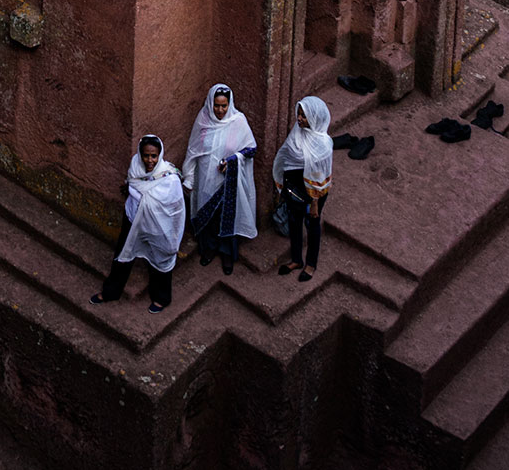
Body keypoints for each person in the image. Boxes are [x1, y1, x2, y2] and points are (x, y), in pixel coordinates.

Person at [93, 133, 186, 311]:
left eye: (154, 156)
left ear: (160, 155)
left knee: (159, 259)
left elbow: (175, 207)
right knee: (123, 255)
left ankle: (162, 298)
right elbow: (133, 185)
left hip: (157, 226)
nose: (149, 160)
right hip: (132, 219)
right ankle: (111, 292)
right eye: (146, 155)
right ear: (140, 154)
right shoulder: (135, 167)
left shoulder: (170, 178)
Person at [182, 83, 258, 275]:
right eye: (217, 105)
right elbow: (193, 150)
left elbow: (250, 149)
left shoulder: (238, 121)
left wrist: (232, 161)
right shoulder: (203, 119)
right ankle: (208, 249)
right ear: (210, 103)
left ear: (229, 104)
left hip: (227, 180)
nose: (220, 110)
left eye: (224, 106)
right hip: (206, 177)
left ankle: (226, 254)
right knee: (208, 214)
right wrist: (189, 178)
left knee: (227, 216)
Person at [272, 95, 334, 281]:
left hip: (313, 193)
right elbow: (285, 156)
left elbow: (320, 177)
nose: (299, 118)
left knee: (312, 225)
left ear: (314, 118)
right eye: (299, 114)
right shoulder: (297, 132)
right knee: (294, 222)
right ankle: (296, 259)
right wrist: (282, 188)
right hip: (293, 189)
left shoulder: (323, 145)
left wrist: (314, 202)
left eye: (304, 116)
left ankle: (311, 264)